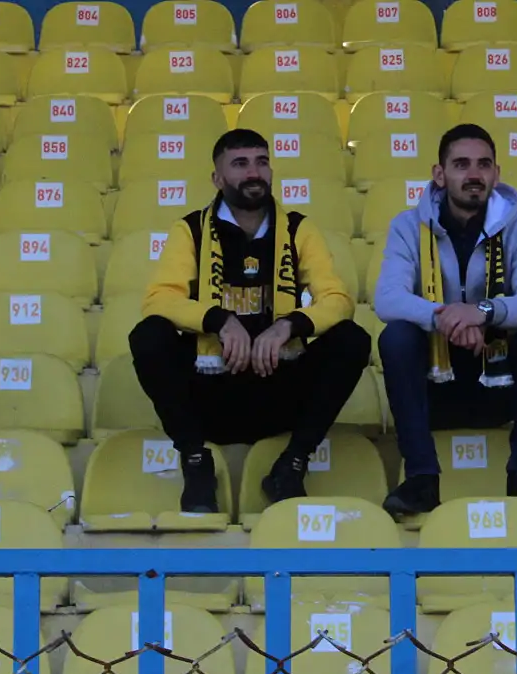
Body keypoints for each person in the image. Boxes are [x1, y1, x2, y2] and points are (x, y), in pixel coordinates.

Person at [129, 129, 370, 514]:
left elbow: (338, 301)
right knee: (149, 335)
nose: (254, 172)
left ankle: (292, 464)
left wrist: (289, 325)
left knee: (351, 339)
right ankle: (196, 461)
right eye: (240, 164)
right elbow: (159, 299)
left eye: (261, 162)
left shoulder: (298, 229)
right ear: (217, 178)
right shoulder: (191, 229)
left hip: (278, 383)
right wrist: (219, 320)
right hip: (211, 387)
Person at [374, 124, 517, 515]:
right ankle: (421, 479)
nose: (474, 174)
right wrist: (447, 318)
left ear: (496, 173)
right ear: (439, 174)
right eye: (461, 164)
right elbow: (388, 299)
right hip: (434, 380)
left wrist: (482, 312)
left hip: (497, 377)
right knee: (396, 337)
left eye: (483, 164)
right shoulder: (408, 226)